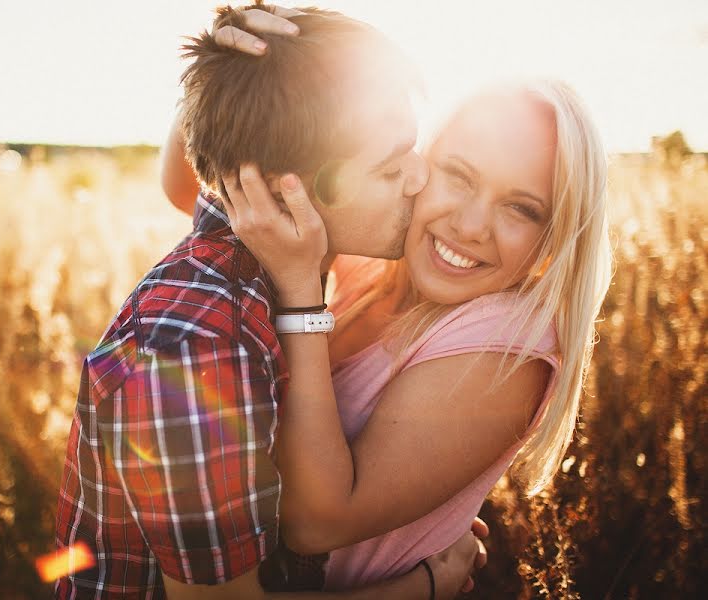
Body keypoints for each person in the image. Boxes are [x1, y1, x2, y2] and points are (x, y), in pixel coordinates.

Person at [54, 4, 486, 599]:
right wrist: (430, 583)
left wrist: (234, 70)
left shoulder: (280, 267)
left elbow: (192, 176)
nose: (420, 178)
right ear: (286, 191)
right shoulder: (192, 348)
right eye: (390, 169)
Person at [211, 14, 612, 592]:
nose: (471, 225)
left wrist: (299, 295)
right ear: (416, 160)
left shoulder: (506, 346)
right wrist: (242, 60)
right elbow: (214, 191)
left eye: (522, 209)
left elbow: (316, 521)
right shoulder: (381, 255)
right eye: (459, 175)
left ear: (554, 239)